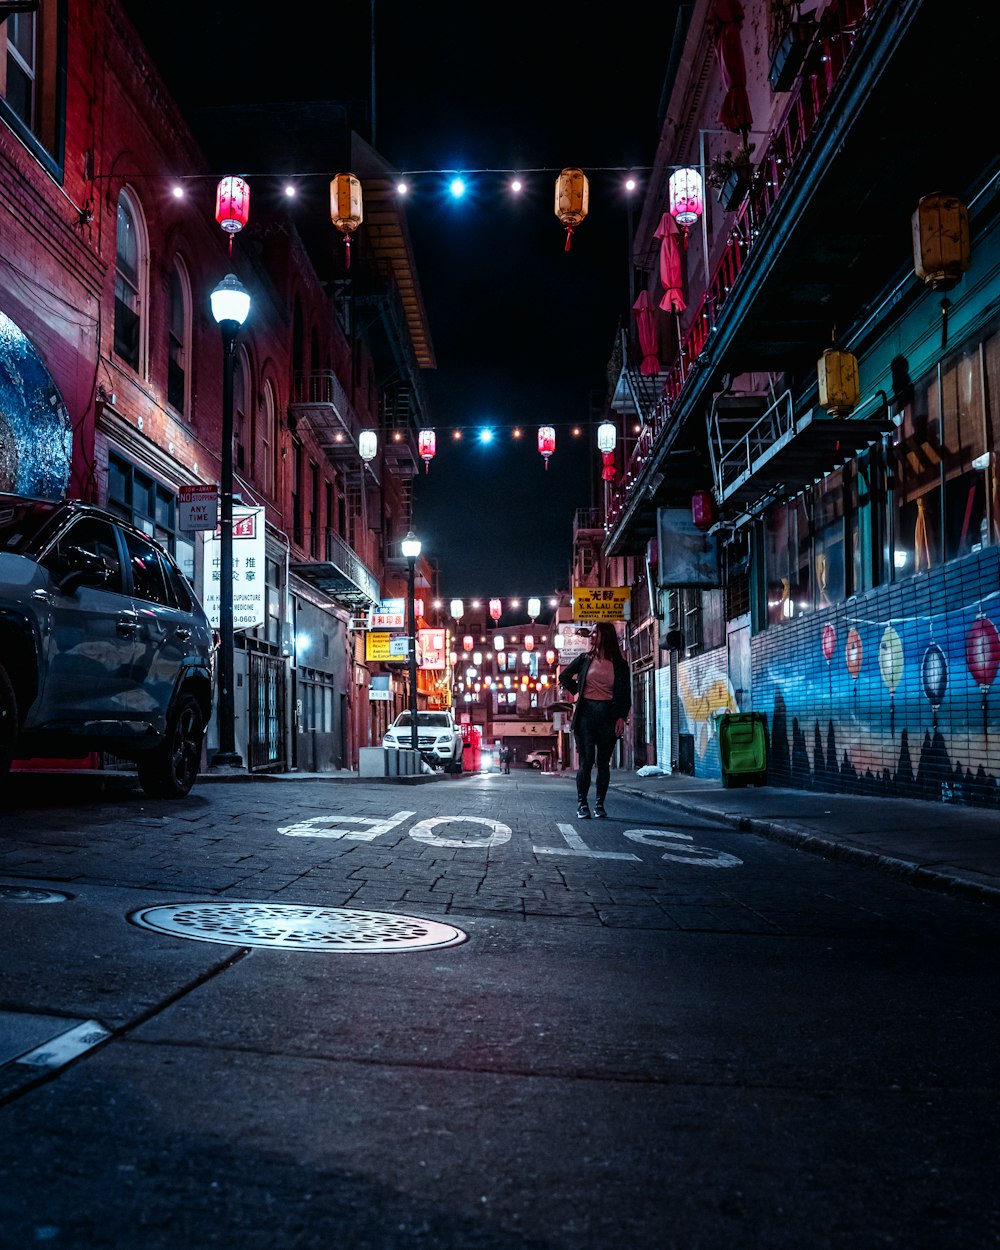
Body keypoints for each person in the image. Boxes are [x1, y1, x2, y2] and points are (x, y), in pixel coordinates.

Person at [558, 622, 631, 819]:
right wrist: (577, 691)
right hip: (586, 714)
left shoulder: (620, 664)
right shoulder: (584, 659)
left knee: (603, 762)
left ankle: (600, 804)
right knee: (587, 760)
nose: (591, 636)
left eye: (595, 633)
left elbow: (625, 694)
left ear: (605, 636)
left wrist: (621, 718)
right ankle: (582, 803)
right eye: (590, 633)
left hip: (609, 714)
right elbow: (564, 676)